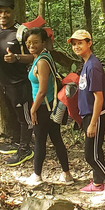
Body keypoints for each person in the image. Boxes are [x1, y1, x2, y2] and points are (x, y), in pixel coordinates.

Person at [68, 29, 105, 196]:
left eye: (80, 43)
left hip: (94, 115)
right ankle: (98, 183)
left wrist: (92, 123)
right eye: (74, 44)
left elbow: (99, 97)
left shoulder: (93, 66)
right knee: (96, 151)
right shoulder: (86, 63)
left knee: (91, 156)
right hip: (88, 114)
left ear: (89, 43)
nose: (76, 46)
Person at [0, 0, 34, 167]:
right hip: (3, 82)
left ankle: (26, 148)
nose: (3, 15)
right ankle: (17, 141)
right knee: (13, 115)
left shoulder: (22, 32)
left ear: (13, 11)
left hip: (20, 83)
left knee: (25, 117)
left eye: (6, 12)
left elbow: (35, 56)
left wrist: (17, 58)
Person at [24, 28, 73, 186]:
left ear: (43, 43)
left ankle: (37, 175)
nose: (31, 45)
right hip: (49, 106)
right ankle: (66, 174)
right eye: (29, 42)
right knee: (56, 138)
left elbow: (42, 90)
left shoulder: (42, 61)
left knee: (40, 140)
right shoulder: (41, 57)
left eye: (35, 42)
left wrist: (33, 109)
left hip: (43, 106)